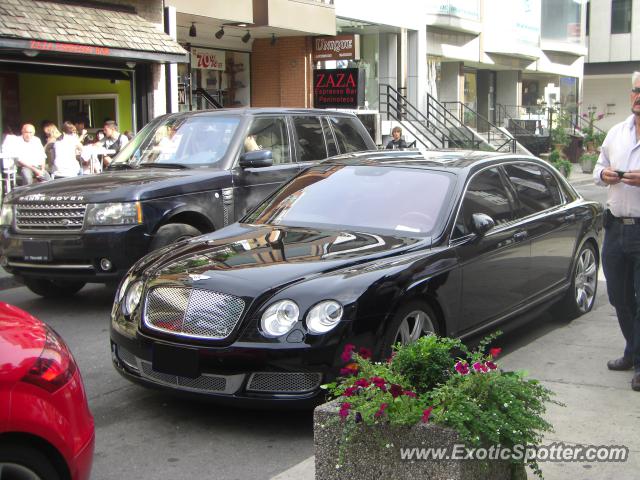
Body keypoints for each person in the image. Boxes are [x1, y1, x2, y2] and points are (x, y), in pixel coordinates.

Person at [593, 71, 640, 392]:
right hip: (614, 228)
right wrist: (605, 174)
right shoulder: (616, 132)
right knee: (619, 298)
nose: (639, 96)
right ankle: (632, 351)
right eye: (637, 90)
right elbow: (597, 168)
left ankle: (637, 359)